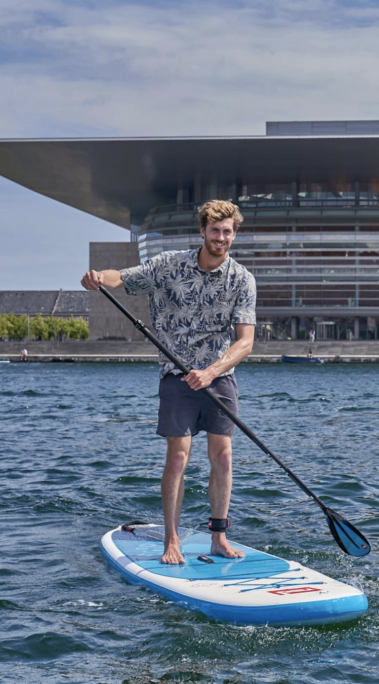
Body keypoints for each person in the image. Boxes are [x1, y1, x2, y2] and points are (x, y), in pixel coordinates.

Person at [80, 200, 256, 565]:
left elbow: (245, 341)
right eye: (215, 231)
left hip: (219, 376)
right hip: (176, 376)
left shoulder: (242, 279)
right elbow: (124, 278)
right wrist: (99, 278)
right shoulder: (170, 265)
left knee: (222, 457)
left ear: (234, 235)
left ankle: (218, 538)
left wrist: (212, 371)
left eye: (228, 232)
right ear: (203, 231)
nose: (221, 238)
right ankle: (171, 539)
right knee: (178, 458)